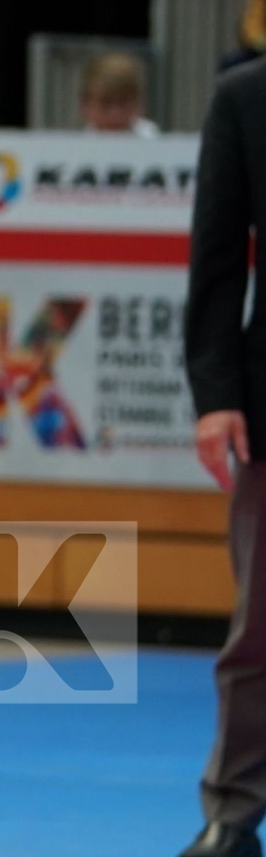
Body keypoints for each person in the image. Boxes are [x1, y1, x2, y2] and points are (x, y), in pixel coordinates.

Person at [181, 56, 266, 857]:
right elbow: (214, 257)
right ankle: (234, 815)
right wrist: (215, 396)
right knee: (260, 630)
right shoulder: (247, 97)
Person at [79, 51, 160, 136]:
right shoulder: (76, 145)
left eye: (123, 102)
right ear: (85, 104)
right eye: (105, 104)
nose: (115, 114)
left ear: (139, 102)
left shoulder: (153, 139)